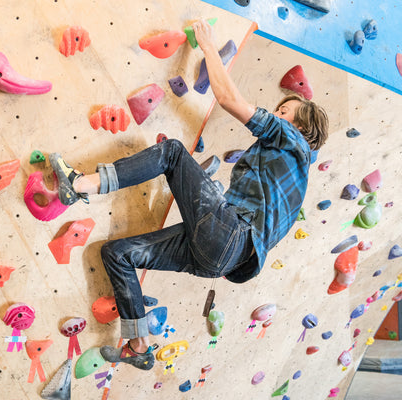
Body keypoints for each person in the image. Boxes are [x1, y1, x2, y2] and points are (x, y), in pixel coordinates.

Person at [50, 19, 329, 370]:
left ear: (299, 126)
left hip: (228, 236)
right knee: (118, 254)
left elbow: (228, 98)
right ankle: (138, 346)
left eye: (283, 112)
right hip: (221, 261)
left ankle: (78, 186)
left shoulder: (290, 138)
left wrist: (209, 47)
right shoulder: (297, 175)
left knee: (173, 153)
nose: (275, 115)